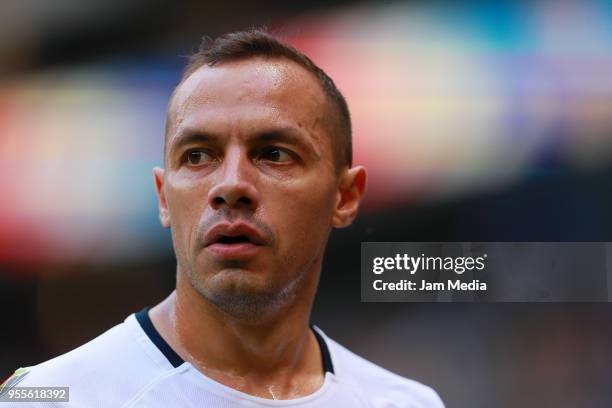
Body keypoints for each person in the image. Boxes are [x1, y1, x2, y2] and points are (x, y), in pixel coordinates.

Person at [2, 30, 444, 407]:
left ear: (345, 197)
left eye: (274, 154)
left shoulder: (404, 402)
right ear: (162, 196)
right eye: (197, 156)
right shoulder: (52, 396)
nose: (231, 184)